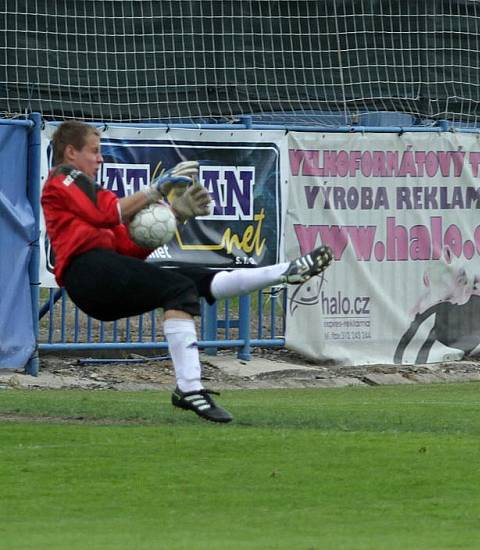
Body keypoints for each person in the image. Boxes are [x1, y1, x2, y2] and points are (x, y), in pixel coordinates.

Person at [41, 120, 333, 424]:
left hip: (100, 280)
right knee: (178, 289)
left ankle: (285, 272)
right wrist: (155, 191)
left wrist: (176, 214)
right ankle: (190, 387)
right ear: (71, 152)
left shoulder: (87, 193)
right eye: (94, 151)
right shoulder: (64, 177)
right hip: (86, 274)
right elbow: (107, 213)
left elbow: (129, 250)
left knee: (195, 280)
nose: (100, 158)